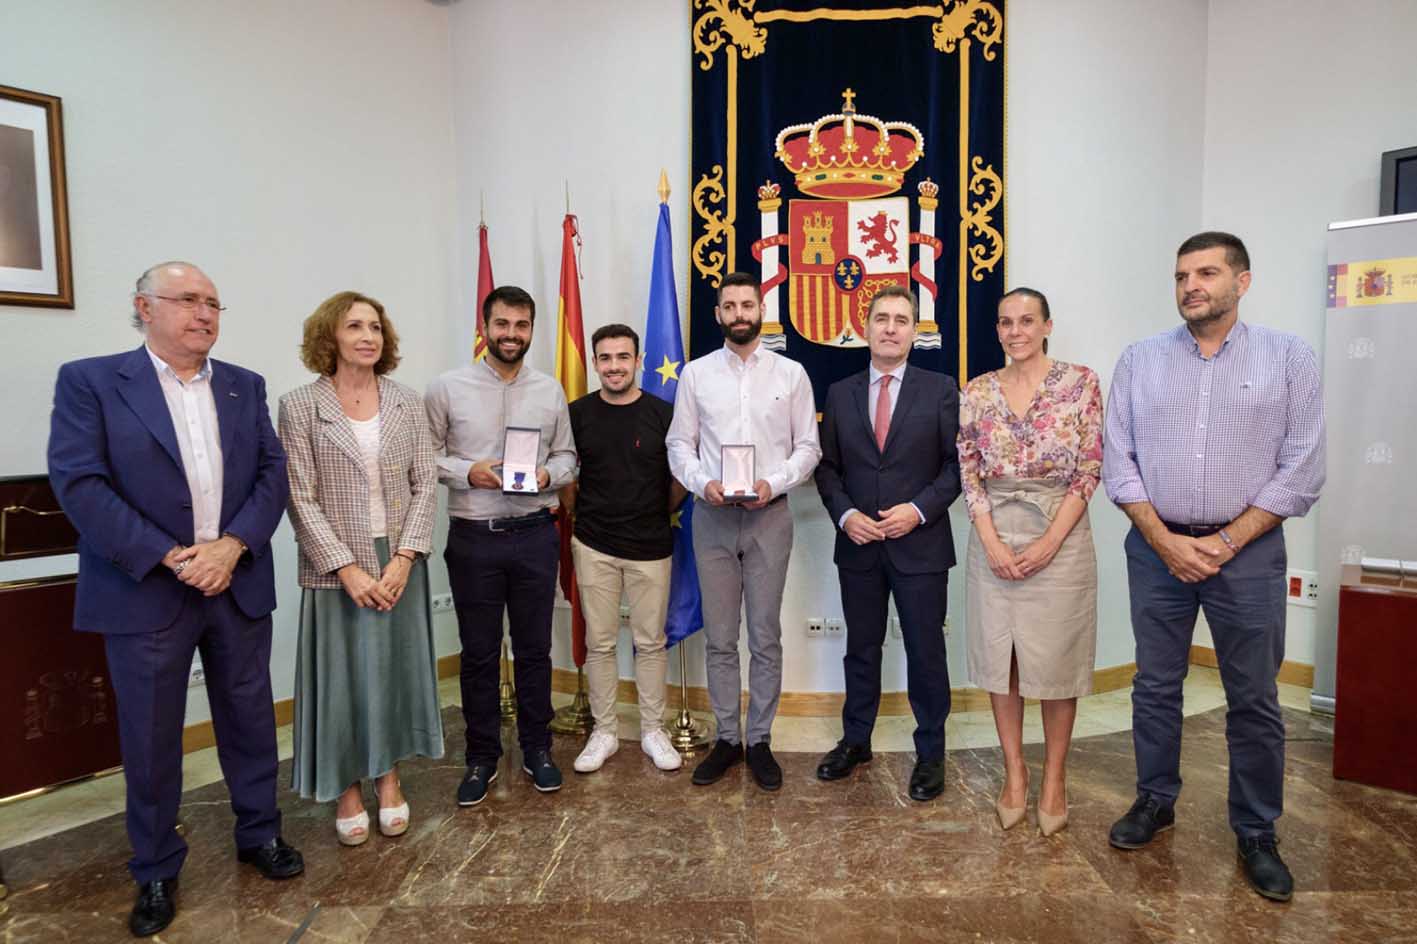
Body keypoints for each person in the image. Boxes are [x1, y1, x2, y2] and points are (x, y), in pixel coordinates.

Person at [47, 262, 301, 938]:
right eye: (187, 299)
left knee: (250, 719)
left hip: (236, 580)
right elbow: (80, 482)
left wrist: (232, 546)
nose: (205, 313)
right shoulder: (92, 381)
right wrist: (172, 555)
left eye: (214, 303)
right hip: (145, 589)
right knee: (153, 734)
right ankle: (156, 867)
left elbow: (274, 475)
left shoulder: (244, 386)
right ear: (143, 307)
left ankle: (259, 833)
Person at [1103, 232, 1325, 902]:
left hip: (1248, 557)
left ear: (1241, 281)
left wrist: (1224, 543)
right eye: (1180, 276)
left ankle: (1256, 830)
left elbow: (1302, 469)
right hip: (1154, 551)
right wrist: (1164, 539)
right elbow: (1118, 461)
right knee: (1155, 686)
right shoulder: (1139, 361)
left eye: (1205, 272)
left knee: (1254, 699)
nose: (1190, 286)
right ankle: (1154, 799)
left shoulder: (1288, 357)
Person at [277, 291, 444, 846]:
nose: (368, 335)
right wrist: (347, 568)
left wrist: (404, 558)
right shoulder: (300, 405)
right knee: (343, 682)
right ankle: (347, 789)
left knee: (392, 676)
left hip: (399, 564)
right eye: (355, 326)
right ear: (331, 336)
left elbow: (425, 484)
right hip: (335, 571)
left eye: (375, 326)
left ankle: (390, 779)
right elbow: (299, 497)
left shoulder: (406, 401)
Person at [666, 271, 821, 791]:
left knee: (764, 635)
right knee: (720, 638)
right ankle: (728, 739)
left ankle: (760, 741)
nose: (739, 313)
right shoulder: (695, 375)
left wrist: (771, 482)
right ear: (718, 314)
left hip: (769, 515)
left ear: (761, 309)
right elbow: (679, 446)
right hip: (710, 516)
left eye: (747, 304)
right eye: (729, 306)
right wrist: (702, 482)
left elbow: (809, 448)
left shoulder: (791, 374)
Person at [957, 287, 1103, 834]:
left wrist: (1049, 544)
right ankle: (1014, 773)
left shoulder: (1080, 383)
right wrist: (992, 541)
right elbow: (968, 471)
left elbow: (1090, 467)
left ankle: (1055, 779)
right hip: (994, 530)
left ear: (1047, 325)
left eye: (1026, 320)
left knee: (1057, 664)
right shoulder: (976, 391)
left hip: (1059, 530)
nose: (1015, 331)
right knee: (1005, 661)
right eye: (1005, 322)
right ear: (996, 330)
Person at [425, 285, 577, 806]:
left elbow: (568, 458)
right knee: (479, 654)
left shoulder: (550, 390)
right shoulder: (447, 387)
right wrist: (469, 471)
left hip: (535, 534)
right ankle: (481, 756)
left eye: (521, 326)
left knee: (536, 650)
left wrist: (545, 474)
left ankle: (538, 749)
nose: (511, 335)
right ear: (485, 326)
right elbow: (425, 458)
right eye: (502, 324)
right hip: (474, 540)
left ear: (532, 329)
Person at [813, 286, 961, 802]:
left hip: (920, 546)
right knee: (861, 649)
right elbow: (827, 468)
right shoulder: (839, 392)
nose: (891, 327)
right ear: (866, 324)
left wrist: (917, 511)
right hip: (858, 545)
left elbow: (956, 467)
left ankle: (930, 754)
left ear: (915, 329)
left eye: (902, 319)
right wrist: (846, 514)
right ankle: (856, 741)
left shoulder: (940, 388)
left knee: (926, 652)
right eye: (882, 318)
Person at [565, 323, 688, 774]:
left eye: (622, 357)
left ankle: (653, 729)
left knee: (650, 643)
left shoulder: (663, 413)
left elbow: (679, 481)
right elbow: (565, 476)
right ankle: (605, 732)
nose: (614, 366)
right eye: (605, 358)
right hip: (594, 544)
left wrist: (651, 512)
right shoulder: (577, 413)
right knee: (598, 644)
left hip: (651, 546)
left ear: (638, 361)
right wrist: (585, 520)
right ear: (595, 363)